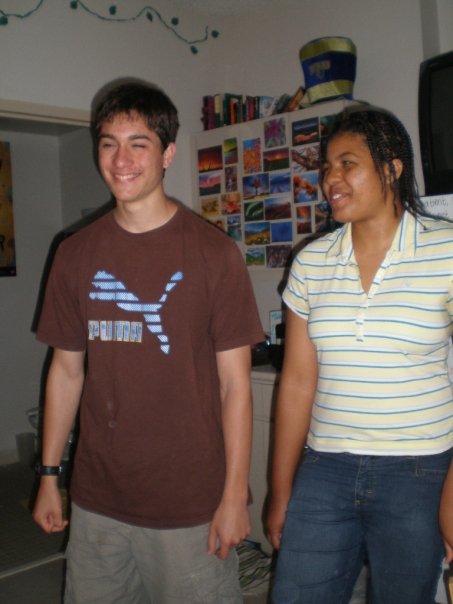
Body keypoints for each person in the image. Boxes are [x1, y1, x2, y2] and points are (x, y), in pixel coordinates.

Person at [32, 79, 263, 603]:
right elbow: (65, 372)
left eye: (139, 144)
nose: (121, 160)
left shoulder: (214, 254)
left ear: (167, 154)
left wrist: (234, 496)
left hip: (189, 504)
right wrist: (49, 475)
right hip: (97, 501)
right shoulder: (74, 253)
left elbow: (235, 388)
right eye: (109, 143)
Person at [266, 106, 453, 604]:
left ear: (392, 168)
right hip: (325, 468)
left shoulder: (447, 250)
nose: (331, 179)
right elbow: (297, 383)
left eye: (348, 164)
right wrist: (280, 491)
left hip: (420, 471)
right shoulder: (312, 262)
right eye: (327, 167)